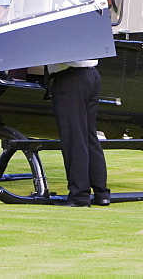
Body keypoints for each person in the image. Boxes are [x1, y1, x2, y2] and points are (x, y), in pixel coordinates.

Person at [48, 58, 110, 207]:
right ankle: (101, 193)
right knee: (89, 135)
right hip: (91, 74)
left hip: (71, 76)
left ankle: (79, 196)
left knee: (73, 136)